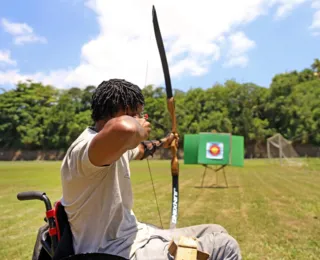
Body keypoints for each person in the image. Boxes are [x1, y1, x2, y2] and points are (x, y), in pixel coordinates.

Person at [60, 79, 242, 260]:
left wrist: (165, 142)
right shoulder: (86, 150)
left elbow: (140, 150)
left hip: (136, 236)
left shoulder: (113, 148)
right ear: (123, 111)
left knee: (216, 231)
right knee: (225, 246)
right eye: (138, 114)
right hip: (116, 252)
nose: (142, 119)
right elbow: (126, 129)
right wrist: (138, 126)